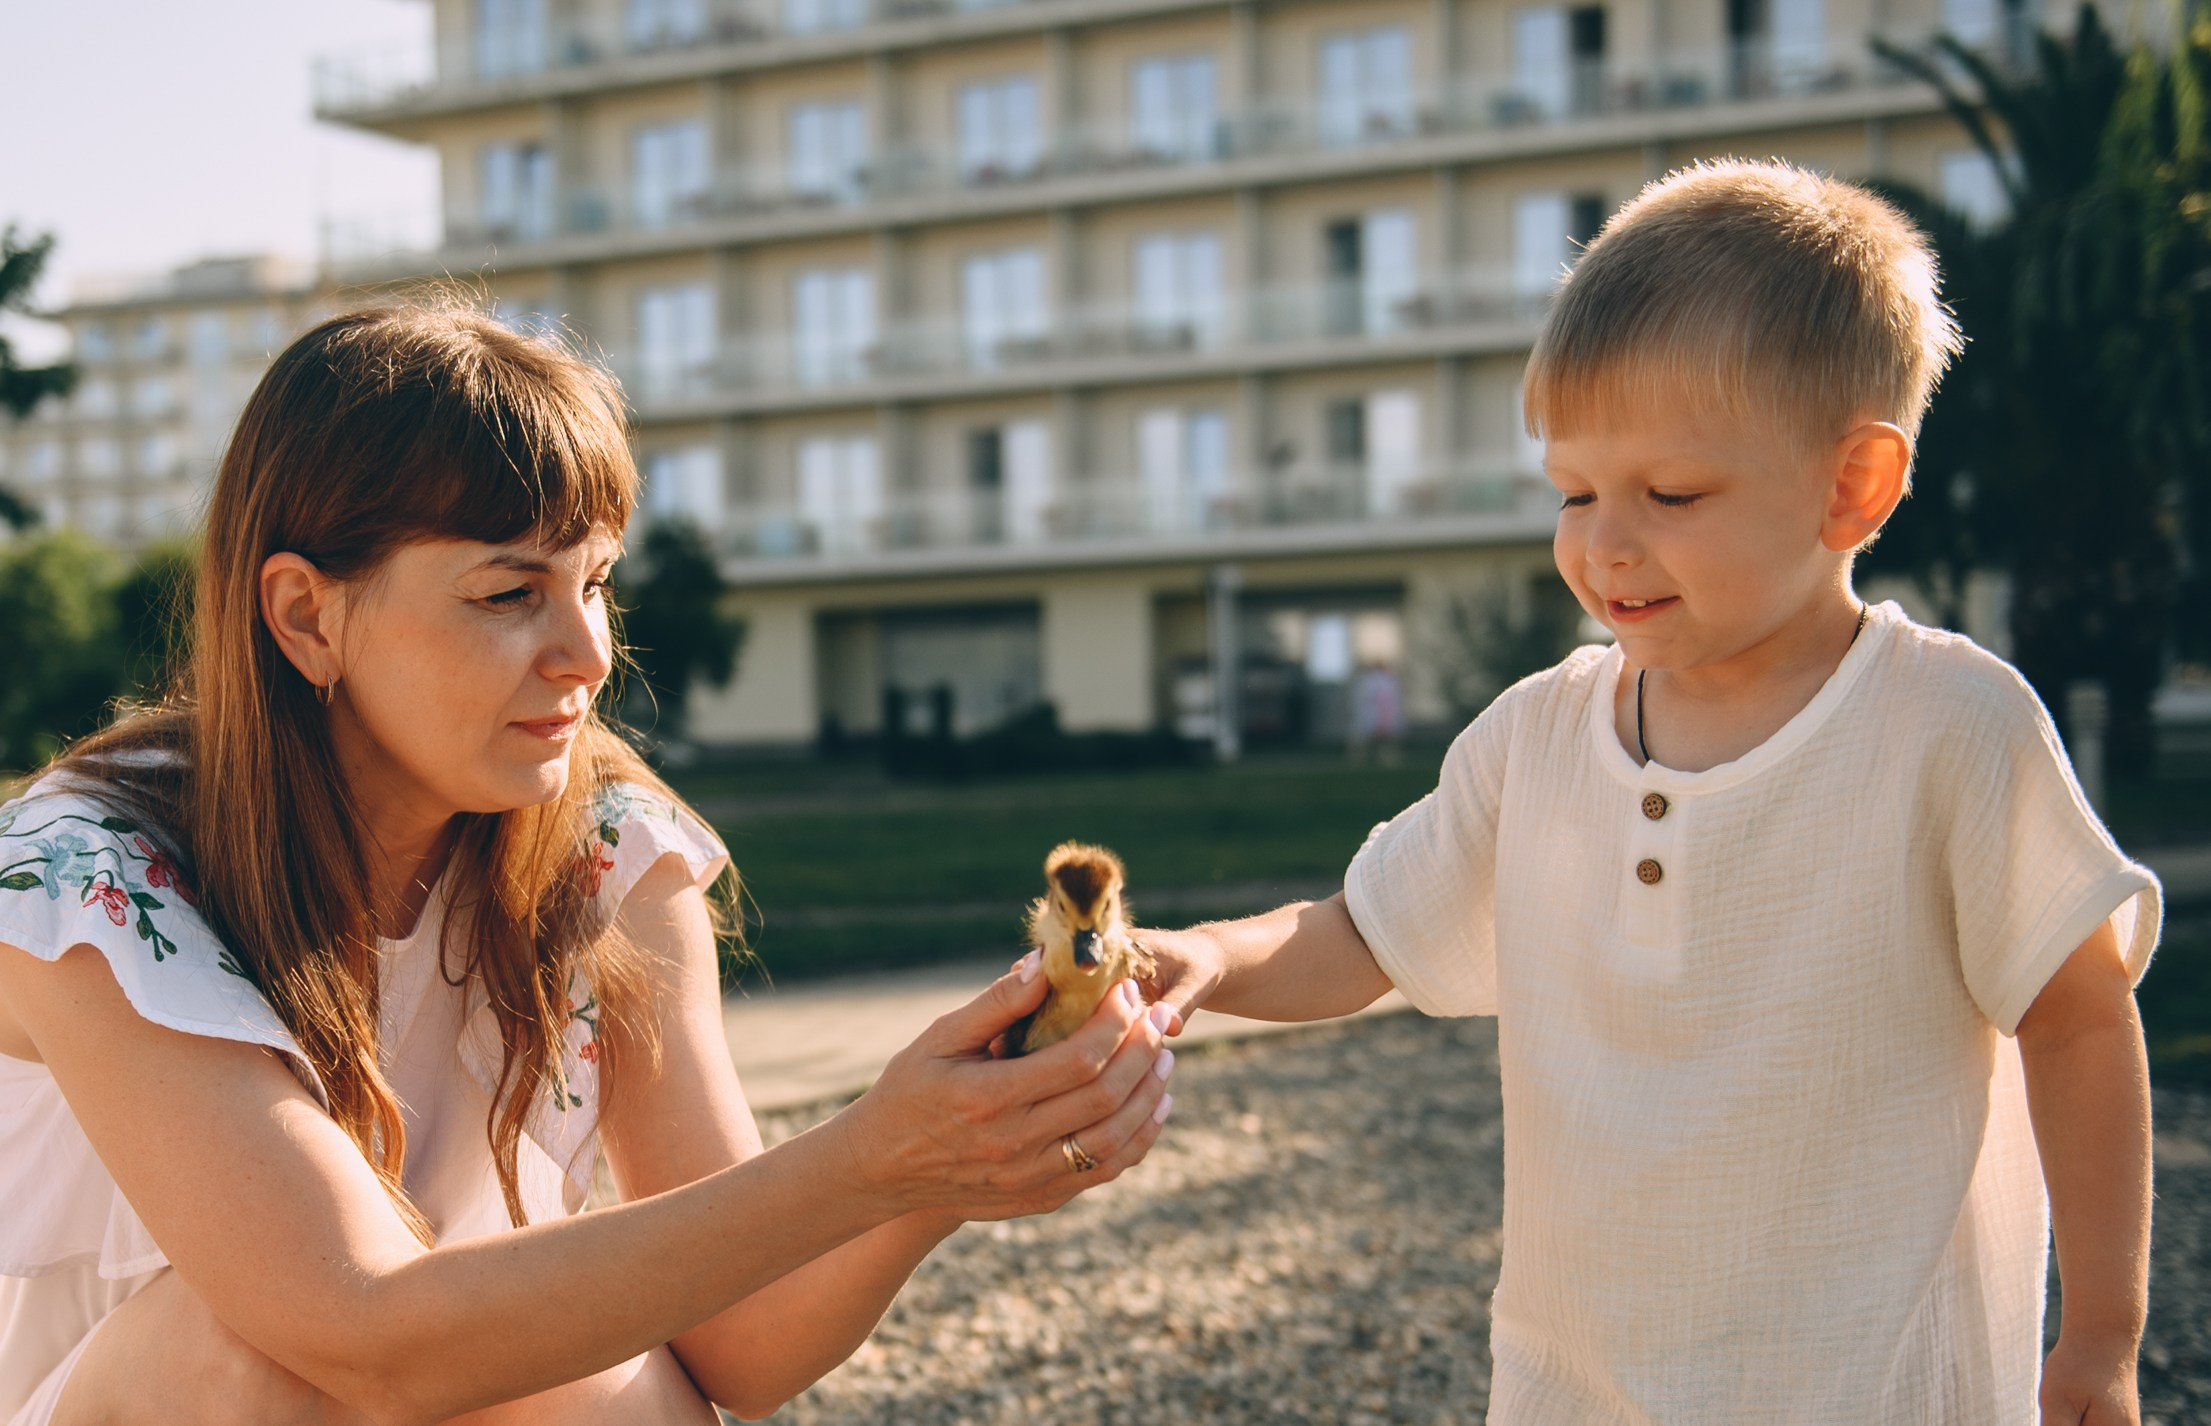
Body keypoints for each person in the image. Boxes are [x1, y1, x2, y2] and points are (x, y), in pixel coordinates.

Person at [0, 304, 1176, 1426]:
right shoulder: (91, 881)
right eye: (512, 592)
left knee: (596, 1375)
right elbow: (362, 1332)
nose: (587, 652)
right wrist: (866, 1154)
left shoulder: (602, 842)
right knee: (255, 1347)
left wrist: (939, 1164)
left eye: (597, 581)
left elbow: (741, 1341)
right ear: (307, 615)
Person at [1141, 160, 2161, 1424]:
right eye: (1574, 491)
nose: (1603, 543)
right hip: (1578, 1388)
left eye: (1670, 495)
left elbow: (2076, 1019)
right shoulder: (1538, 736)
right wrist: (1201, 956)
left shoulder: (1948, 726)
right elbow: (1365, 933)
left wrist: (2103, 1334)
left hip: (1882, 1388)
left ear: (1854, 485)